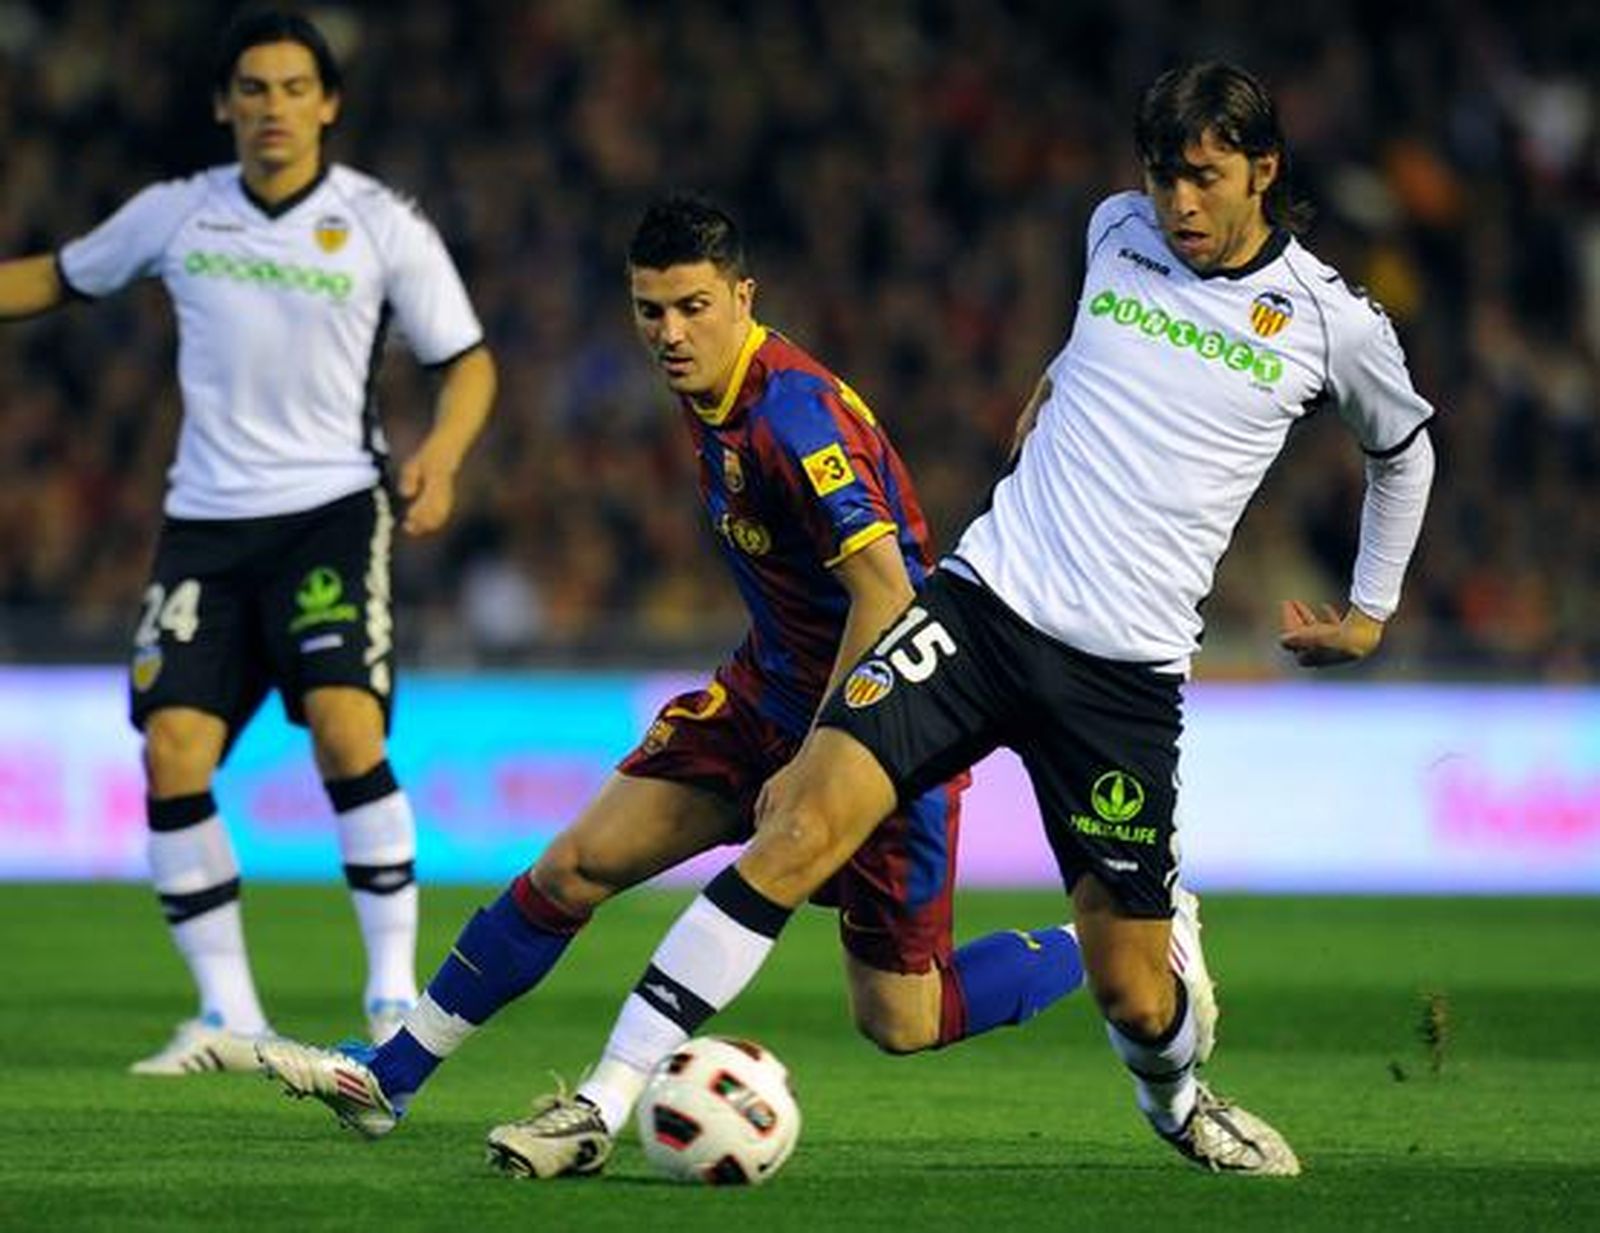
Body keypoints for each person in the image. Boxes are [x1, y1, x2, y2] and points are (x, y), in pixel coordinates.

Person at [485, 62, 1438, 1179]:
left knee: (1135, 995)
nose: (1177, 202)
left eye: (1204, 178)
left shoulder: (1332, 322)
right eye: (1162, 175)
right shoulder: (1115, 229)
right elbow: (1107, 341)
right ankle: (599, 1102)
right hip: (982, 605)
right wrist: (1055, 379)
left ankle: (1177, 1099)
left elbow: (1403, 449)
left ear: (1262, 172)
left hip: (1121, 673)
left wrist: (1369, 610)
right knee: (795, 820)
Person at [258, 195, 1215, 1162]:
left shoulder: (793, 417)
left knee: (902, 1017)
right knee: (573, 866)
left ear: (742, 296)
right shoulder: (709, 390)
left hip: (885, 721)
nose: (670, 334)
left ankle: (1144, 941)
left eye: (691, 307)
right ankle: (392, 1077)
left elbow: (884, 598)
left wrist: (818, 756)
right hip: (764, 693)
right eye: (649, 310)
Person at [0, 9, 496, 1072]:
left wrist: (442, 457)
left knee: (344, 733)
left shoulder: (380, 225)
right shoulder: (178, 215)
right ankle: (228, 1014)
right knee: (172, 752)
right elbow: (50, 275)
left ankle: (391, 997)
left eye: (293, 88)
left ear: (330, 104)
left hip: (329, 512)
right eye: (253, 90)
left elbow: (468, 361)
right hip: (204, 528)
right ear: (224, 105)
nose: (274, 108)